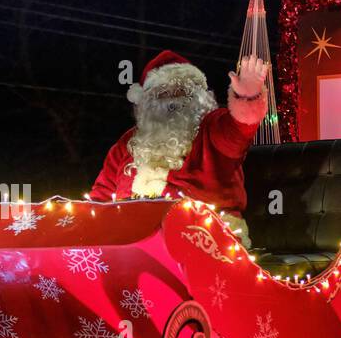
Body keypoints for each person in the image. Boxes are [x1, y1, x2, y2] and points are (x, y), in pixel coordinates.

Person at [90, 50, 269, 245]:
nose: (173, 100)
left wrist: (247, 98)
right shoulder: (127, 144)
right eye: (163, 94)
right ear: (146, 102)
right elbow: (100, 199)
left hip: (208, 242)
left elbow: (238, 131)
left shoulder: (213, 128)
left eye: (182, 92)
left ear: (199, 97)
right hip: (132, 247)